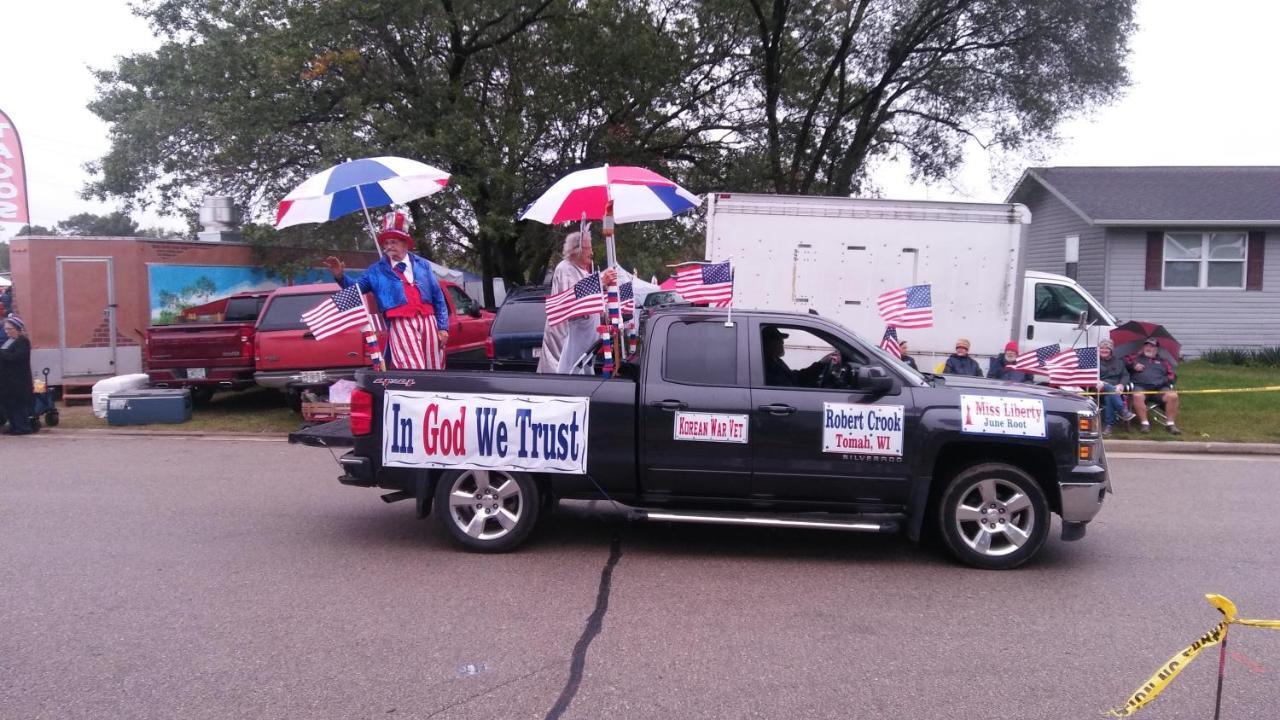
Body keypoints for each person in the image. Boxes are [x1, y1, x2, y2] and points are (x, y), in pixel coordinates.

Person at [324, 211, 450, 370]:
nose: (389, 246)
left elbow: (438, 298)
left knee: (434, 367)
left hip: (428, 320)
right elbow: (355, 289)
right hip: (401, 322)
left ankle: (433, 395)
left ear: (405, 243)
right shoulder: (376, 270)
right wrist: (340, 276)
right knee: (412, 368)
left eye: (394, 242)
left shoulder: (422, 265)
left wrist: (443, 327)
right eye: (386, 242)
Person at [540, 229, 617, 374]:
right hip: (568, 341)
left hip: (586, 343)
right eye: (589, 248)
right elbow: (573, 302)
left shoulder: (582, 271)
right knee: (569, 377)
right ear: (577, 250)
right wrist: (601, 282)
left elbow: (593, 299)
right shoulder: (565, 269)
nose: (592, 253)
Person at [1126, 337, 1180, 434]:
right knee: (1137, 395)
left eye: (1152, 346)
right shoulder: (1135, 358)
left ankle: (1170, 424)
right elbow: (1123, 363)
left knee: (1173, 395)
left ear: (1156, 349)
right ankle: (1145, 424)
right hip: (1141, 387)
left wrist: (1163, 381)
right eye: (1146, 345)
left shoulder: (1164, 361)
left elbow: (1172, 376)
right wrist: (1133, 366)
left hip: (1160, 388)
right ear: (1143, 347)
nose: (1148, 348)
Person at [762, 327, 840, 387]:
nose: (782, 342)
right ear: (768, 344)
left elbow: (795, 377)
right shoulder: (767, 367)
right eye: (778, 340)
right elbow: (789, 386)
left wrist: (820, 364)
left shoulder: (776, 361)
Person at [0, 316, 36, 435]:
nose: (7, 331)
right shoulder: (8, 341)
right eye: (6, 329)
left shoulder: (23, 341)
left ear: (17, 329)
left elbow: (16, 357)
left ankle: (22, 427)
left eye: (10, 329)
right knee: (9, 404)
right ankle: (14, 425)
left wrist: (2, 354)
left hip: (19, 380)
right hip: (7, 381)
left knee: (18, 404)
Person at [1096, 339, 1135, 436]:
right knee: (1109, 389)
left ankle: (1109, 426)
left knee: (1110, 396)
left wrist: (1121, 384)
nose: (1104, 350)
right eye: (1102, 348)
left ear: (1111, 350)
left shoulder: (1119, 362)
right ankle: (1122, 410)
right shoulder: (1095, 361)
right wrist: (1098, 381)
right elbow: (1090, 375)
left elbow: (1125, 376)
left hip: (1116, 390)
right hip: (1099, 388)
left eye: (1107, 348)